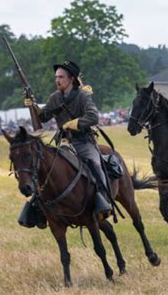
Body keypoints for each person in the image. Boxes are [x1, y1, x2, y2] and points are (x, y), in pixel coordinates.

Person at [24, 61, 112, 220]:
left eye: (61, 77)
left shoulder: (83, 96)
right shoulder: (55, 97)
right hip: (63, 143)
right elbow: (44, 117)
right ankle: (38, 208)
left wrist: (75, 123)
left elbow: (93, 117)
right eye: (56, 77)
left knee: (96, 164)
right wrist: (33, 106)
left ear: (71, 78)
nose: (57, 80)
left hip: (84, 142)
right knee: (44, 169)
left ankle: (103, 202)